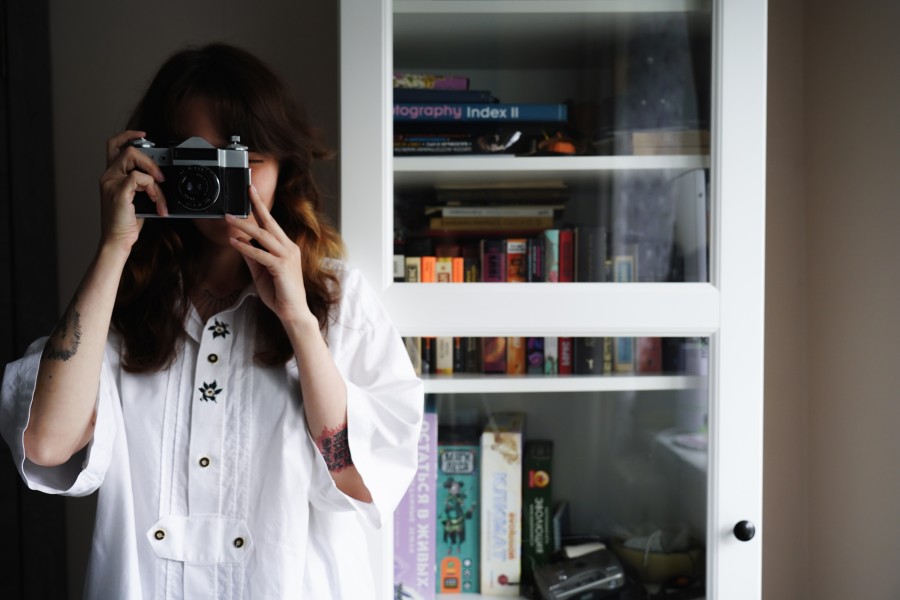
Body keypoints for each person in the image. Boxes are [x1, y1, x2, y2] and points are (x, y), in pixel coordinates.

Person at [0, 43, 424, 599]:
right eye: (203, 161)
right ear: (157, 163)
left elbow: (362, 481)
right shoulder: (117, 305)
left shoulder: (337, 300)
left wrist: (298, 320)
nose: (225, 182)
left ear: (284, 165)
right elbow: (45, 445)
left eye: (248, 159)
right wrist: (113, 248)